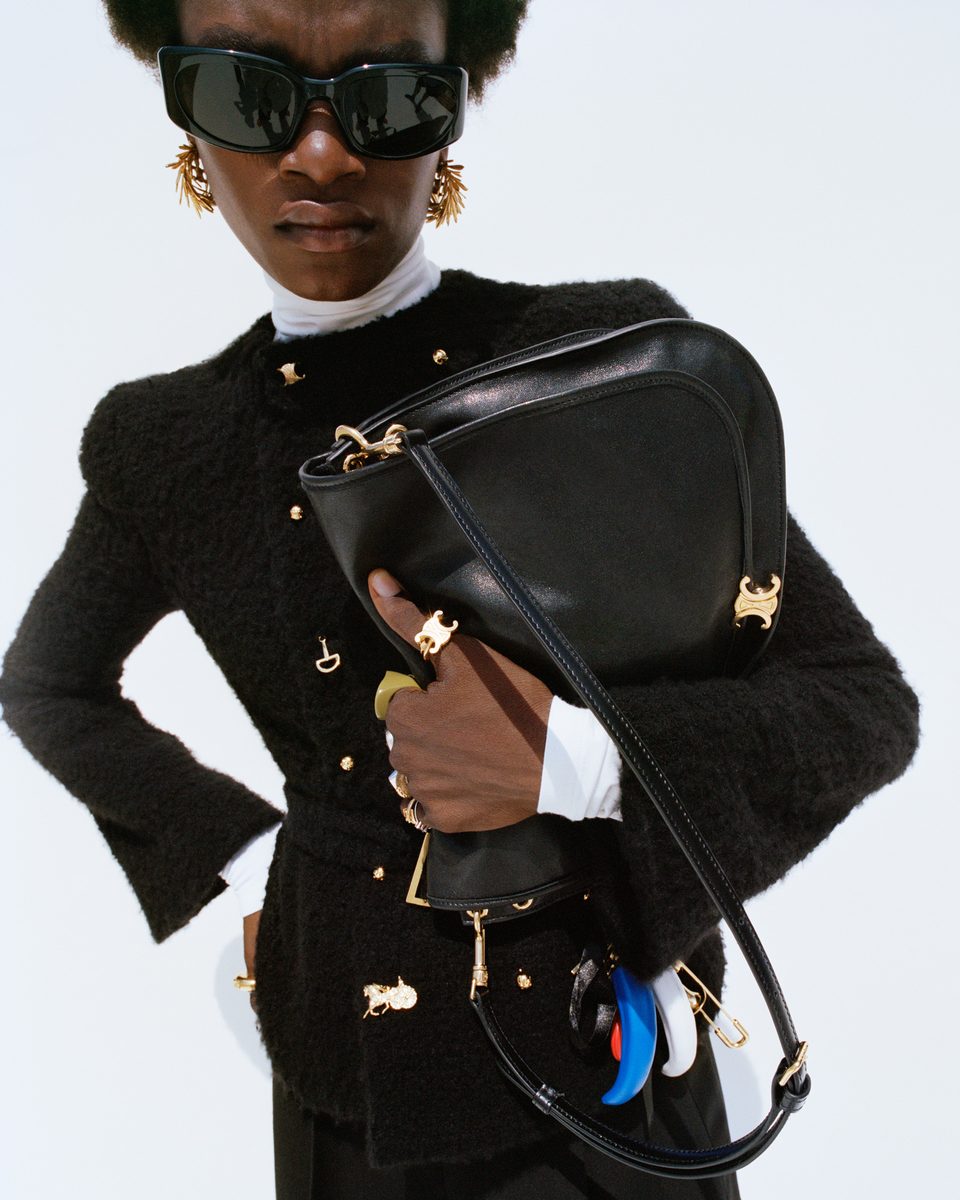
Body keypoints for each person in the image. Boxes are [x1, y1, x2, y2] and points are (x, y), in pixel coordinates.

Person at [0, 1, 920, 1197]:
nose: (321, 155)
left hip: (613, 1060)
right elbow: (48, 683)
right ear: (188, 126)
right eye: (245, 93)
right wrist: (245, 871)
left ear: (454, 108)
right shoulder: (162, 443)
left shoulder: (605, 360)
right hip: (344, 1073)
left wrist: (577, 765)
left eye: (387, 97)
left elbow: (859, 704)